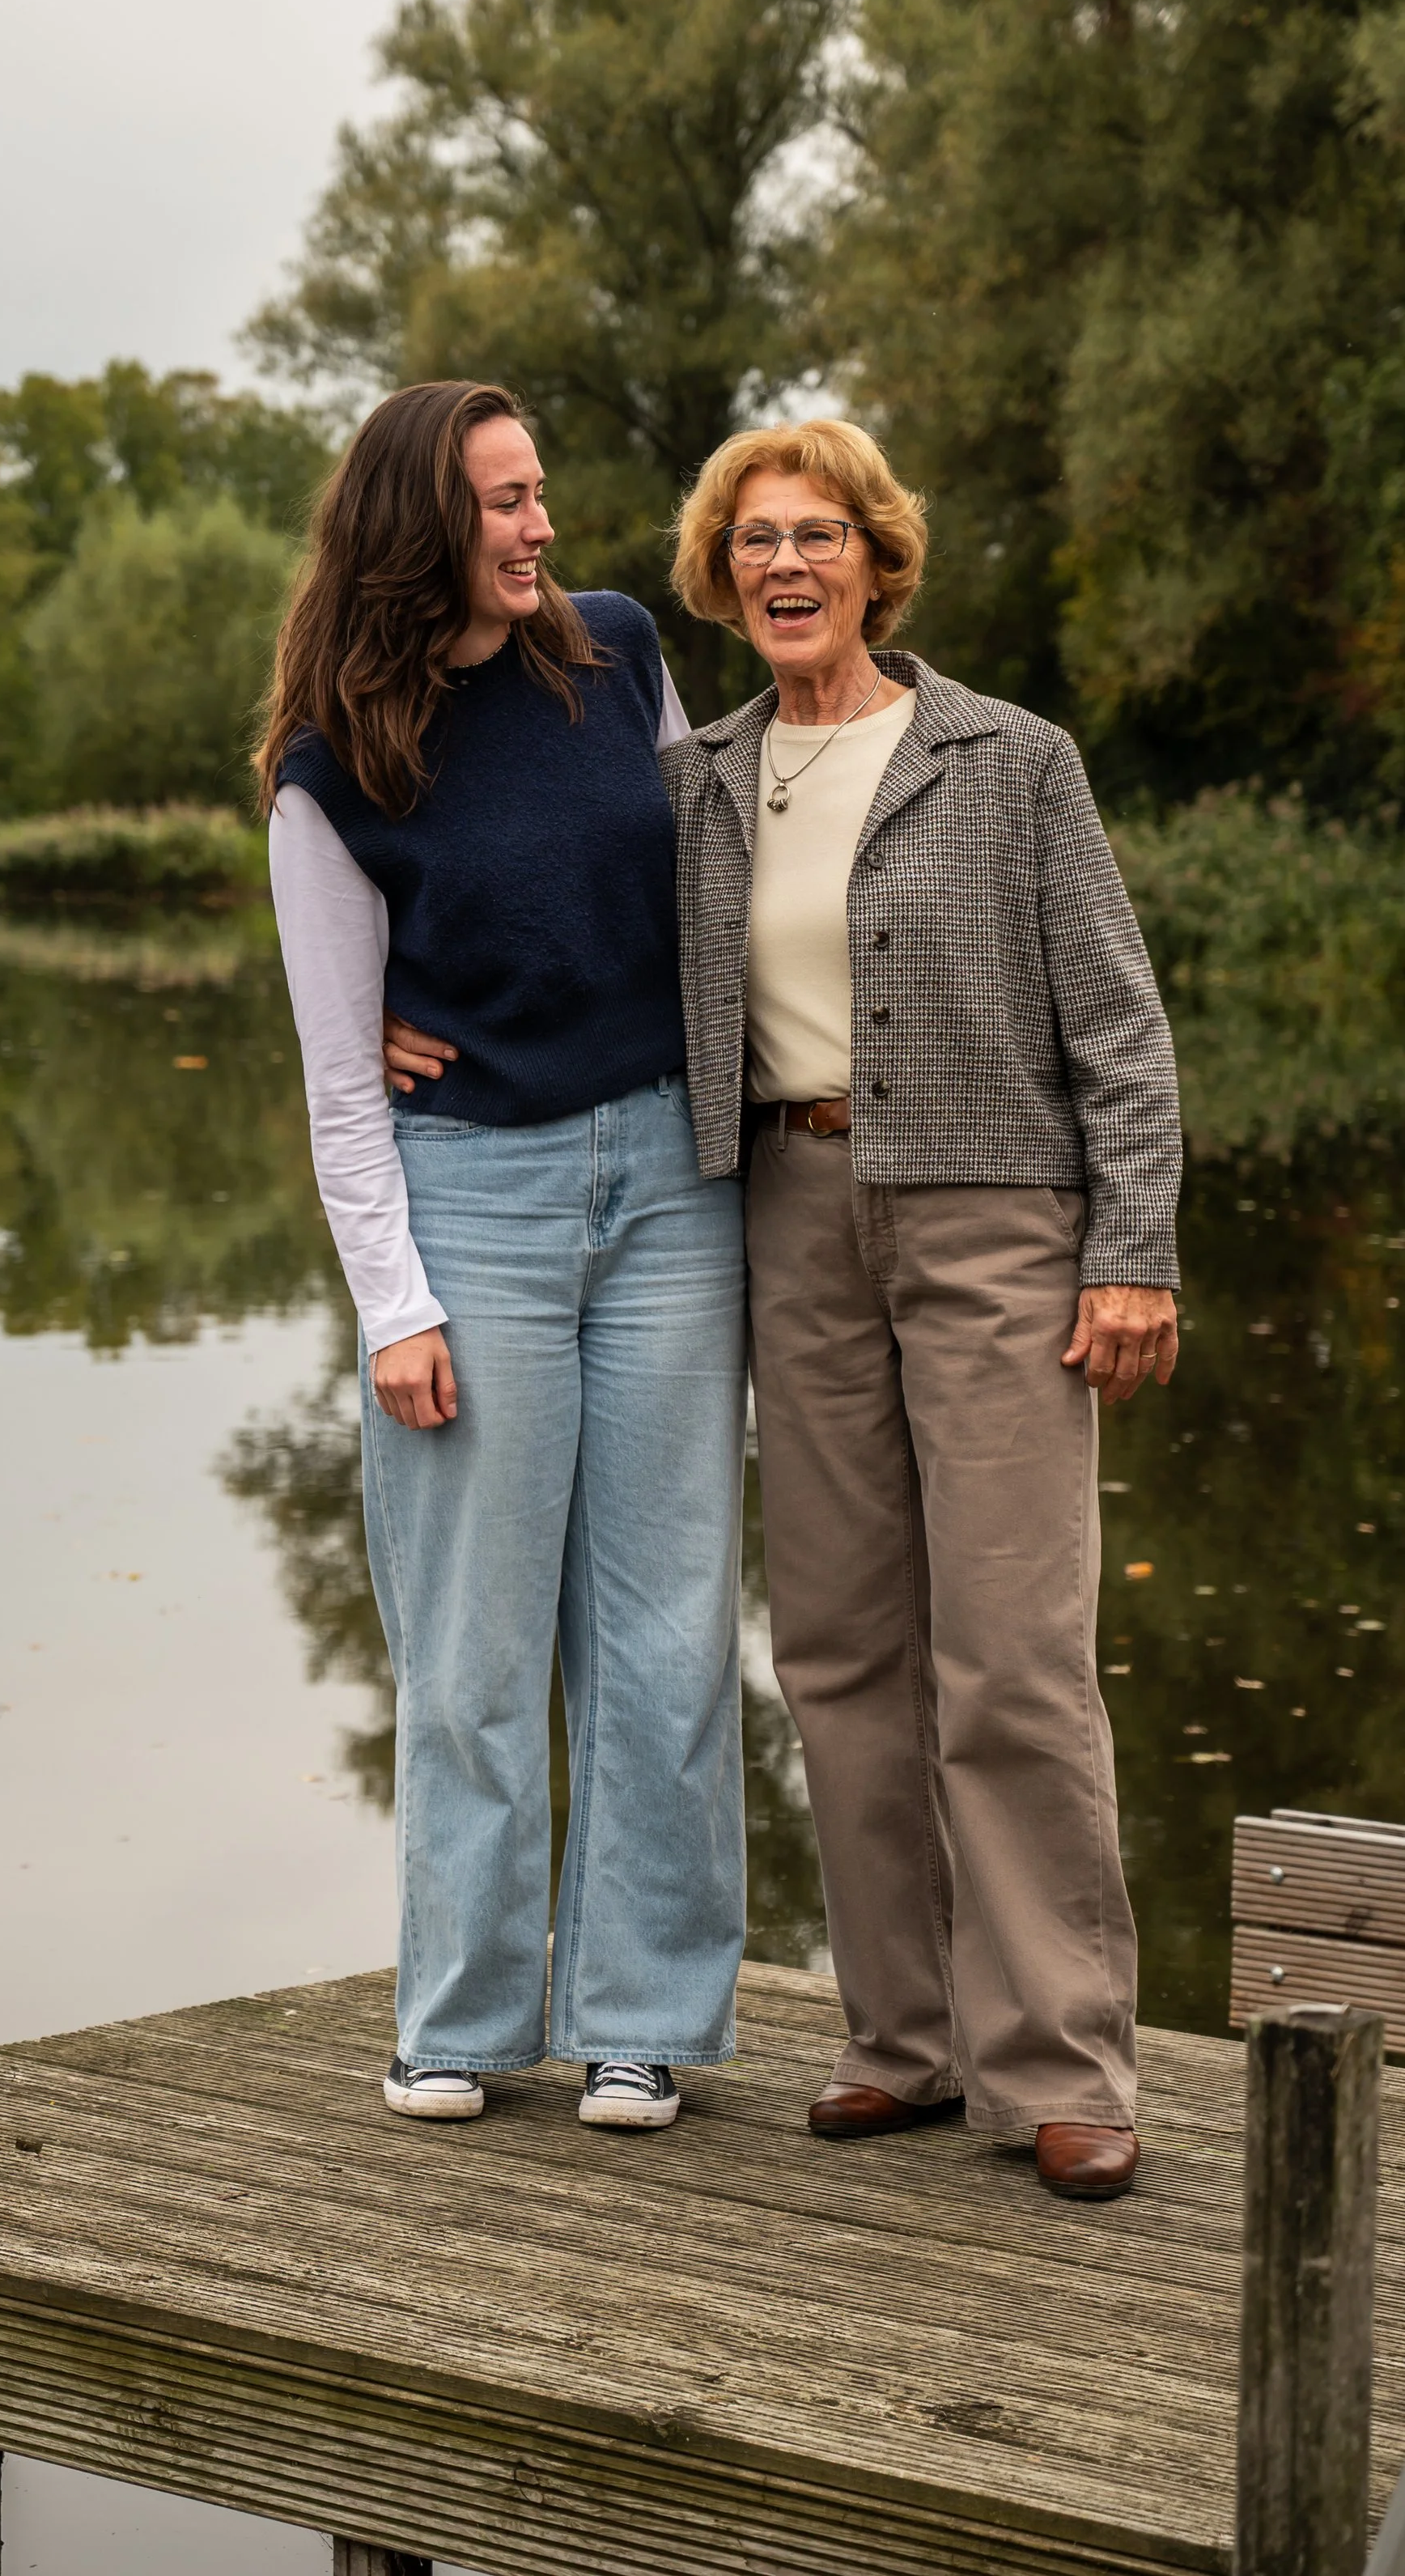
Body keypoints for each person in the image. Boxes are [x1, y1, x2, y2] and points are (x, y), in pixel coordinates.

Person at [658, 416, 1181, 2200]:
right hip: (789, 1220)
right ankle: (904, 2043)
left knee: (1012, 1655)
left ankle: (1056, 2064)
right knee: (837, 1647)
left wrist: (1133, 1249)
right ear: (720, 580)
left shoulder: (1005, 760)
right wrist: (414, 1030)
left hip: (990, 1224)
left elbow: (1115, 1024)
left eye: (813, 536)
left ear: (877, 561)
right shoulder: (701, 782)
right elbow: (569, 959)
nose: (781, 566)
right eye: (751, 542)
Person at [257, 380, 747, 2131]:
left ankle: (642, 2022)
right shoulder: (334, 765)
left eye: (539, 495)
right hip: (475, 1203)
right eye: (501, 505)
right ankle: (459, 2024)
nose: (540, 529)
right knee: (469, 1645)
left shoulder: (614, 655)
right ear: (417, 533)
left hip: (671, 1190)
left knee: (667, 1626)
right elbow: (335, 1073)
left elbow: (717, 884)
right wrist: (393, 1301)